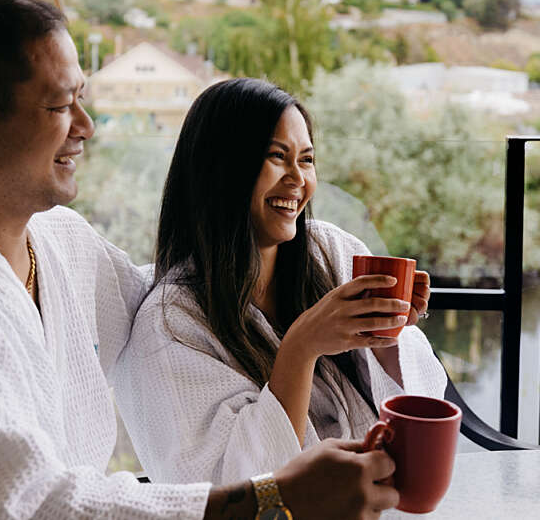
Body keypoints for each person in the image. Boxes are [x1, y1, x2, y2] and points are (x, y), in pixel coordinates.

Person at [0, 0, 399, 519]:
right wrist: (270, 500)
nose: (86, 126)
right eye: (59, 105)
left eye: (82, 98)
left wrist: (296, 275)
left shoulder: (53, 241)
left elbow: (167, 303)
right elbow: (27, 508)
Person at [114, 78, 447, 486]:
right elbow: (231, 487)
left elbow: (424, 398)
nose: (297, 178)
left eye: (306, 160)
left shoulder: (333, 251)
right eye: (277, 156)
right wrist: (301, 349)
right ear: (222, 167)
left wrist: (390, 334)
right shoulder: (171, 323)